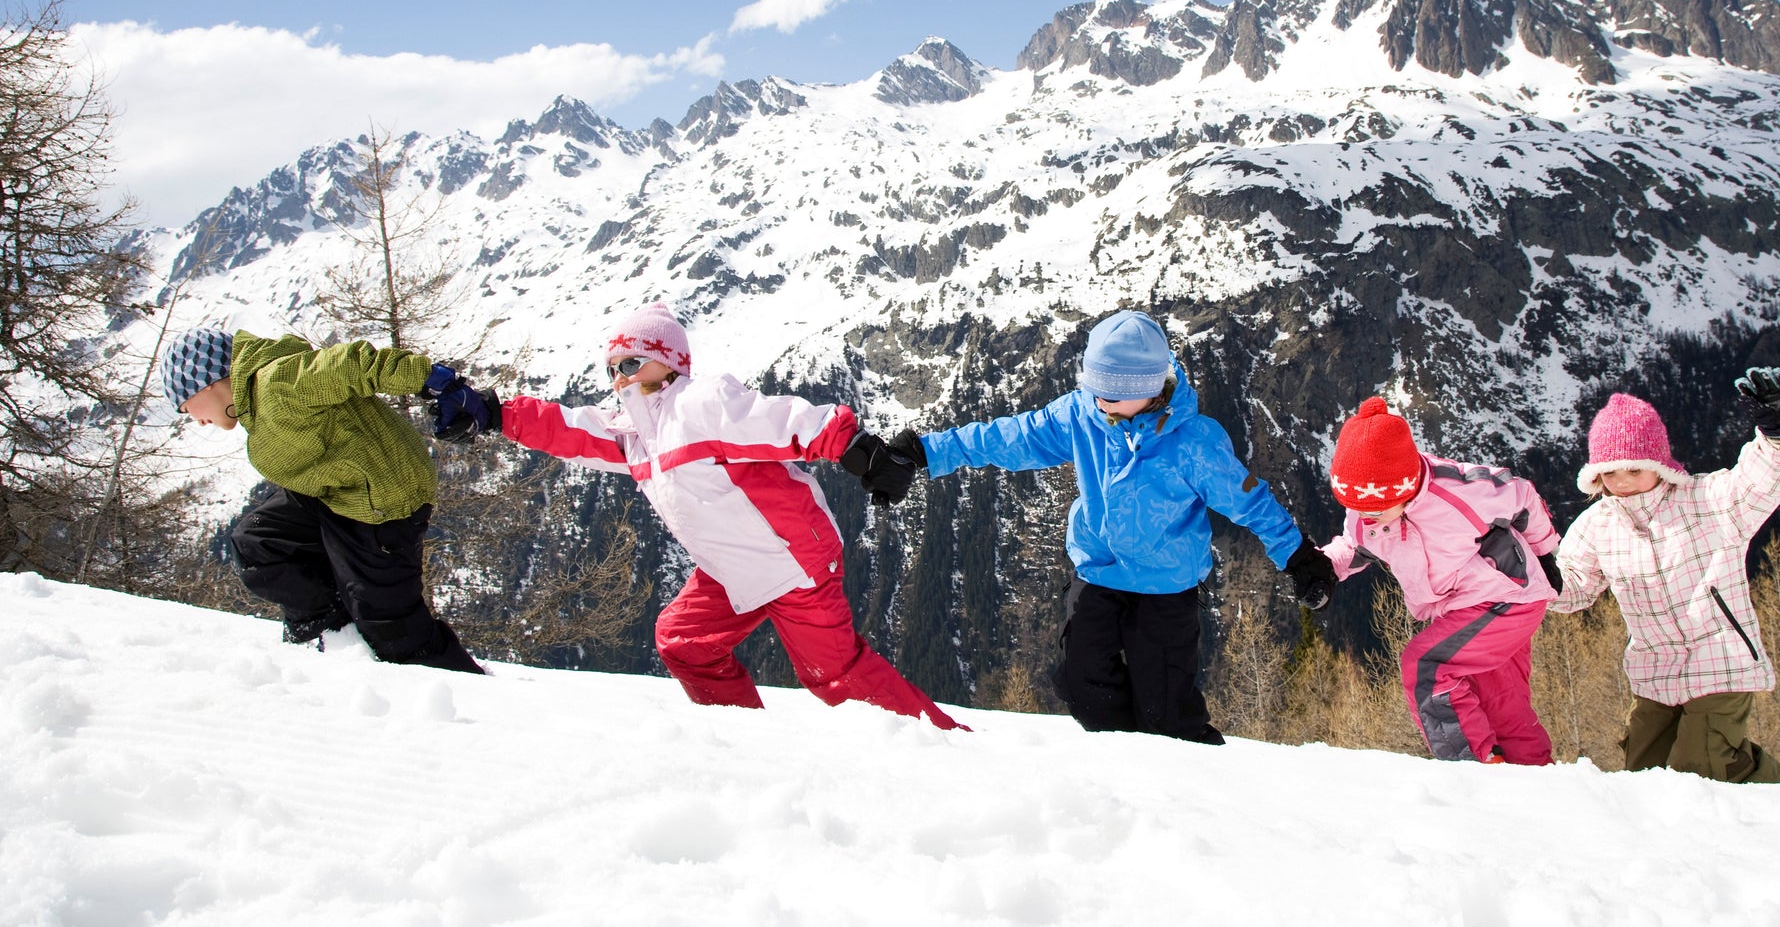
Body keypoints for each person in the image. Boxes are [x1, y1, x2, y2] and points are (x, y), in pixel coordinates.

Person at [470, 302, 961, 729]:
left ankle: (944, 750)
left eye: (631, 363)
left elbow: (781, 419)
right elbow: (571, 431)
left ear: (665, 363)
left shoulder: (700, 404)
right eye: (612, 369)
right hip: (732, 569)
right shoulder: (635, 432)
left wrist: (854, 448)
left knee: (835, 679)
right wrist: (495, 414)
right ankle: (746, 742)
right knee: (683, 641)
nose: (619, 378)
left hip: (794, 561)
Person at [890, 309, 1337, 744]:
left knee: (1165, 714)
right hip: (1099, 570)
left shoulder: (1193, 442)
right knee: (1081, 684)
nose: (1099, 399)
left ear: (1148, 389)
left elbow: (1248, 501)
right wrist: (927, 452)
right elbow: (1013, 437)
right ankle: (1126, 768)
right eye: (1093, 387)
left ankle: (1188, 775)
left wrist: (1297, 557)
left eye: (1110, 392)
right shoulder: (1082, 414)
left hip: (1166, 587)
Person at [165, 327, 488, 672]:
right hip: (337, 491)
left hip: (380, 500)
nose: (195, 419)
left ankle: (467, 703)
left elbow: (355, 365)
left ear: (209, 381)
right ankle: (335, 635)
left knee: (395, 633)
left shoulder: (279, 382)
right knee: (260, 542)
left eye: (186, 407)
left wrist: (434, 381)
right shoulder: (255, 397)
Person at [1548, 369, 1780, 783]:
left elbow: (1757, 486)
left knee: (1700, 770)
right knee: (1642, 773)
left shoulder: (1705, 500)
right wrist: (1538, 575)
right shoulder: (1598, 524)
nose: (1623, 483)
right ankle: (1718, 779)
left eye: (1634, 469)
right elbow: (1575, 587)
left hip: (1720, 662)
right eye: (1610, 474)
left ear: (1658, 464)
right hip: (1655, 670)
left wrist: (1778, 438)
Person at [1319, 396, 1561, 764]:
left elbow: (1522, 496)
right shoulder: (1368, 508)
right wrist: (1323, 569)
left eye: (1377, 509)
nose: (1368, 517)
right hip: (1461, 608)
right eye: (1357, 508)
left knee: (1427, 667)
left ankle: (1472, 768)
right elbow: (1356, 546)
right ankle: (1534, 779)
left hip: (1506, 598)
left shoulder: (1458, 492)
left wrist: (1545, 555)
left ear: (1405, 487)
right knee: (1500, 703)